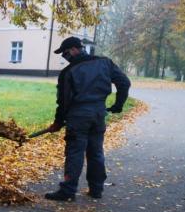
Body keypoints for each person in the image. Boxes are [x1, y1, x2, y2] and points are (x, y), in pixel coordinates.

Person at [44, 37, 131, 202]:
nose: (65, 56)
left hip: (78, 117)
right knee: (96, 151)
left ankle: (68, 191)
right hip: (98, 114)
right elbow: (124, 83)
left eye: (65, 52)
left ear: (75, 49)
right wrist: (118, 104)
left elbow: (63, 102)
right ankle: (96, 189)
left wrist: (58, 122)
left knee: (75, 152)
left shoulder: (68, 73)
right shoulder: (105, 63)